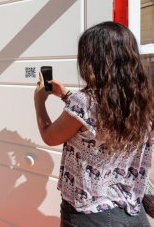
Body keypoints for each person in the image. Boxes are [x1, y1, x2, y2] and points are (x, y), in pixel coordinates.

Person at [34, 21, 154, 226]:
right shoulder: (142, 100)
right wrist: (67, 96)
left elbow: (49, 136)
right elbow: (101, 123)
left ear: (92, 60)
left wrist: (39, 102)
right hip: (133, 211)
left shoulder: (85, 102)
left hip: (92, 215)